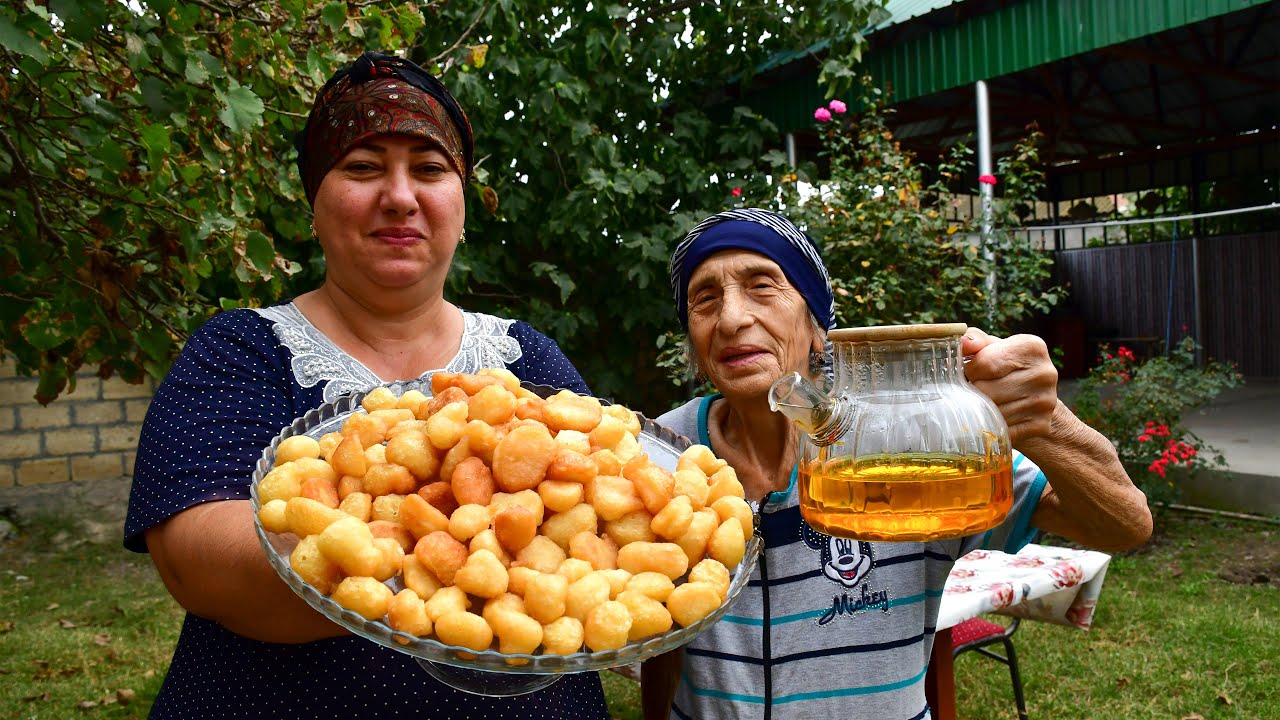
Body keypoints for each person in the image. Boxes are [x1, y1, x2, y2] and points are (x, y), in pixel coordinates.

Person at [124, 51, 609, 718]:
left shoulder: (526, 356)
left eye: (431, 169)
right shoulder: (242, 350)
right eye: (362, 167)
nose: (401, 196)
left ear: (461, 207)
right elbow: (198, 562)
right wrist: (435, 549)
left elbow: (608, 528)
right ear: (315, 205)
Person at [642, 207, 1153, 720]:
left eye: (762, 286)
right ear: (692, 339)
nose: (731, 318)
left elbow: (1123, 525)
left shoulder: (900, 442)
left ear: (817, 326)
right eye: (705, 298)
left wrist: (1048, 425)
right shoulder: (662, 455)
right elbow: (664, 628)